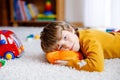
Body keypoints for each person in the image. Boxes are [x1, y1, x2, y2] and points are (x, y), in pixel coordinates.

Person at [40, 21, 120, 72]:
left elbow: (97, 65)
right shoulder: (78, 40)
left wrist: (69, 63)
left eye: (65, 37)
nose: (67, 45)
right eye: (61, 47)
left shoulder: (87, 39)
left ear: (71, 30)